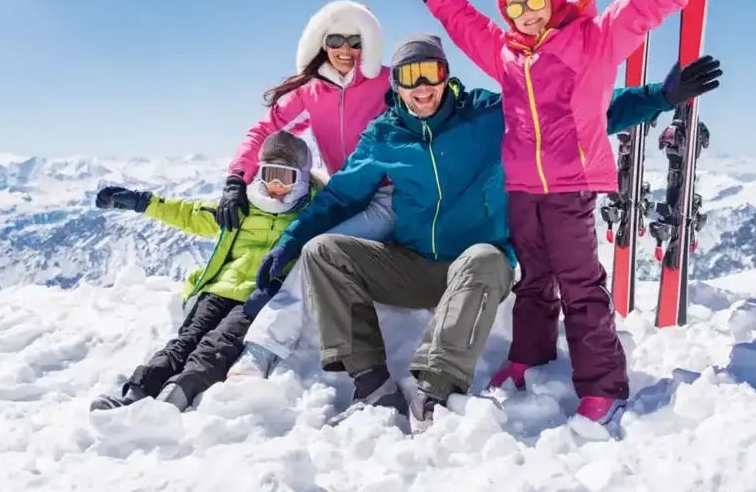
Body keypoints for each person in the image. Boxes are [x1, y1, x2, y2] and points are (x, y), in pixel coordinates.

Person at [383, 0, 753, 430]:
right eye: (513, 6)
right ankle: (529, 357)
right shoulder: (505, 54)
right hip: (522, 187)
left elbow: (642, 7)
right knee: (533, 282)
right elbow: (463, 22)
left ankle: (604, 384)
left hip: (571, 187)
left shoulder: (592, 38)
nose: (526, 13)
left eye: (534, 0)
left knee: (580, 287)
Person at [251, 33, 699, 434]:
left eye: (432, 73)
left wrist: (660, 96)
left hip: (479, 267)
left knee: (484, 257)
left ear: (446, 75)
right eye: (410, 76)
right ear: (397, 84)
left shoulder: (488, 114)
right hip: (413, 263)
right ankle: (372, 385)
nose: (422, 87)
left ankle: (436, 390)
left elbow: (571, 118)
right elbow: (339, 198)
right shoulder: (384, 136)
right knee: (323, 251)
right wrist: (290, 241)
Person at [218, 0, 400, 380]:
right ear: (322, 42)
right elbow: (265, 130)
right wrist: (238, 176)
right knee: (292, 240)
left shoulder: (387, 83)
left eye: (355, 40)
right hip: (345, 195)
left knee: (314, 252)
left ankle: (261, 350)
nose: (346, 50)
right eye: (337, 40)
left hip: (387, 196)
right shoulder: (311, 92)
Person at [87, 131, 321, 413]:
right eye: (268, 173)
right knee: (185, 341)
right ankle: (136, 393)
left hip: (257, 297)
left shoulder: (310, 215)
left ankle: (177, 395)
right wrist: (142, 202)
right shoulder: (243, 206)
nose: (274, 185)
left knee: (217, 346)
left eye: (284, 177)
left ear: (302, 179)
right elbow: (189, 214)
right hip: (218, 290)